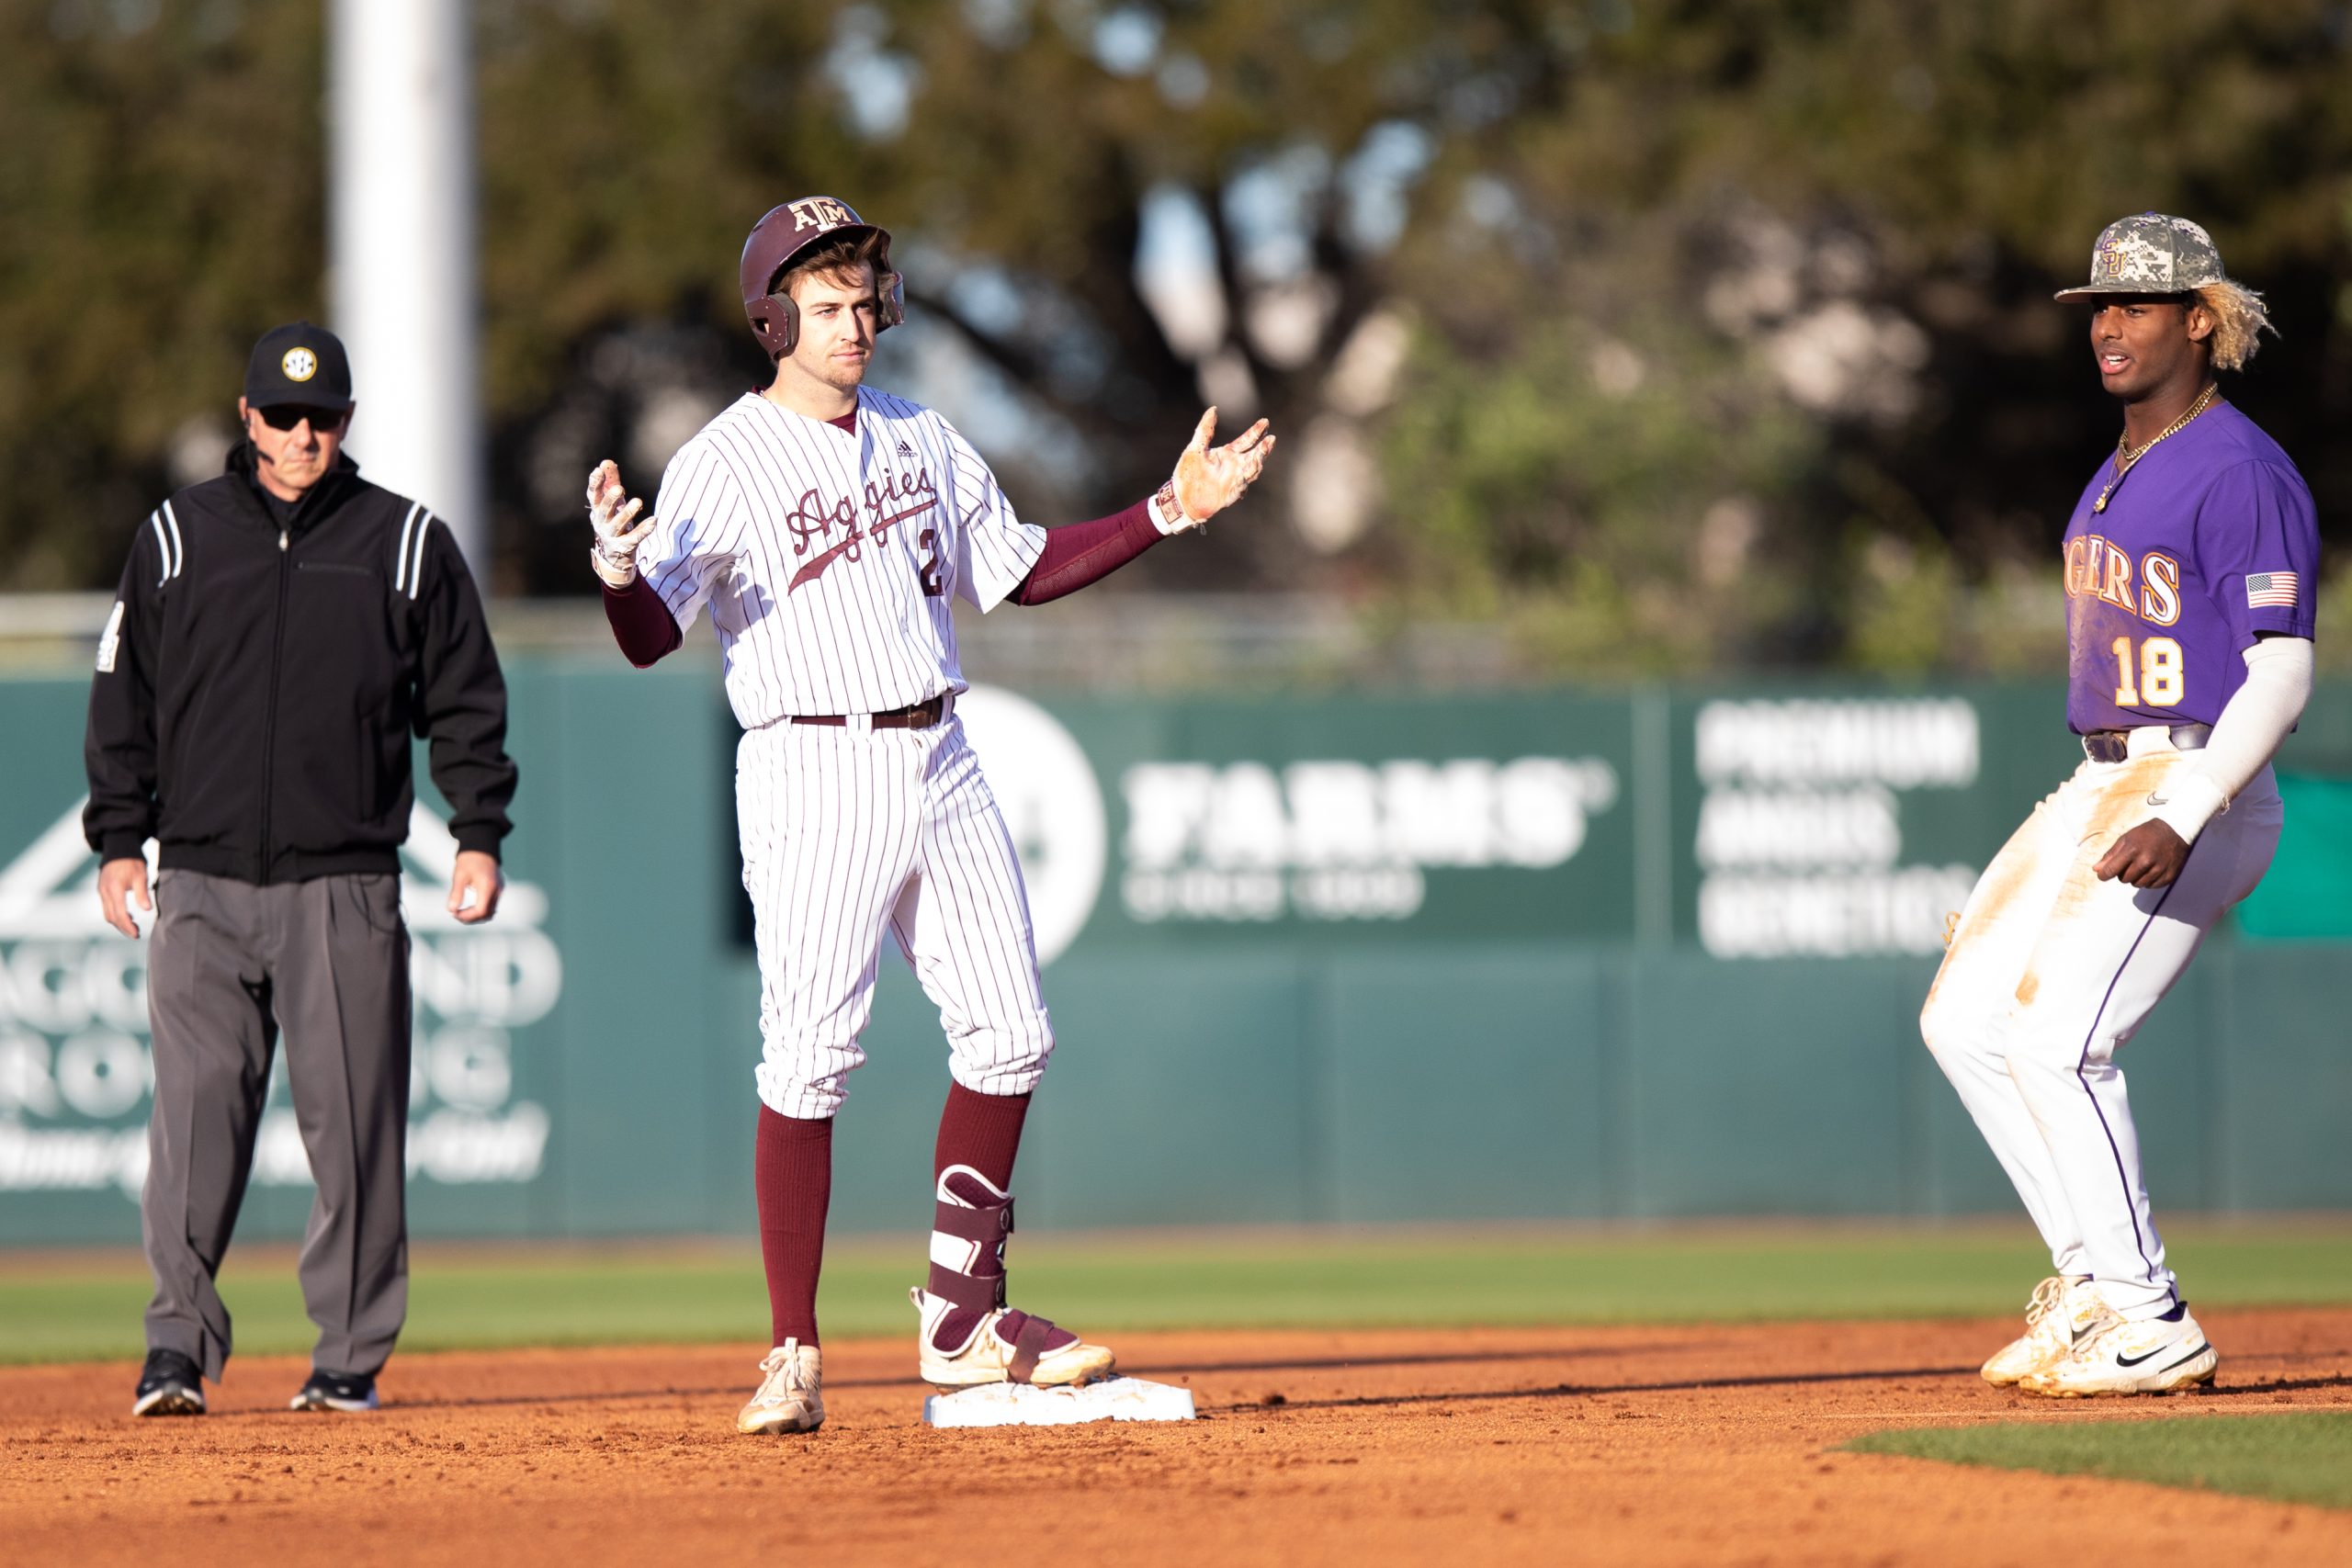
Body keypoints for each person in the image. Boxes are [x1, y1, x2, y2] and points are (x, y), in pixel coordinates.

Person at [585, 196, 1273, 1435]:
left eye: (863, 295)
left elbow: (1018, 568)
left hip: (941, 744)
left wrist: (1169, 509)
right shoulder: (722, 462)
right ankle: (792, 1348)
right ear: (772, 315)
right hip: (810, 762)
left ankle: (961, 1315)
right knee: (808, 1058)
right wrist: (619, 570)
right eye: (827, 299)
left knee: (1012, 1029)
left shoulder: (919, 434)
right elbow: (647, 642)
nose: (854, 317)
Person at [85, 321, 517, 1416]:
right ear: (246, 417)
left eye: (322, 415)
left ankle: (348, 1358)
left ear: (347, 422)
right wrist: (117, 842)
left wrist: (477, 831)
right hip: (202, 882)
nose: (301, 434)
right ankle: (175, 1348)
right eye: (282, 415)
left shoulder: (405, 541)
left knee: (356, 1132)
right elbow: (122, 696)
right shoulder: (178, 536)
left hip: (345, 883)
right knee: (192, 1129)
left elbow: (465, 699)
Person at [1921, 215, 2317, 1397]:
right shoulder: (2120, 465)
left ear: (2200, 320)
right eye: (2098, 305)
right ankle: (2095, 1292)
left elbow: (2283, 672)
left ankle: (2151, 1319)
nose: (2109, 324)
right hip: (2101, 772)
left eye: (2138, 305)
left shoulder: (2240, 465)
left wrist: (2188, 808)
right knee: (1965, 1023)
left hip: (2192, 774)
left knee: (2060, 1043)